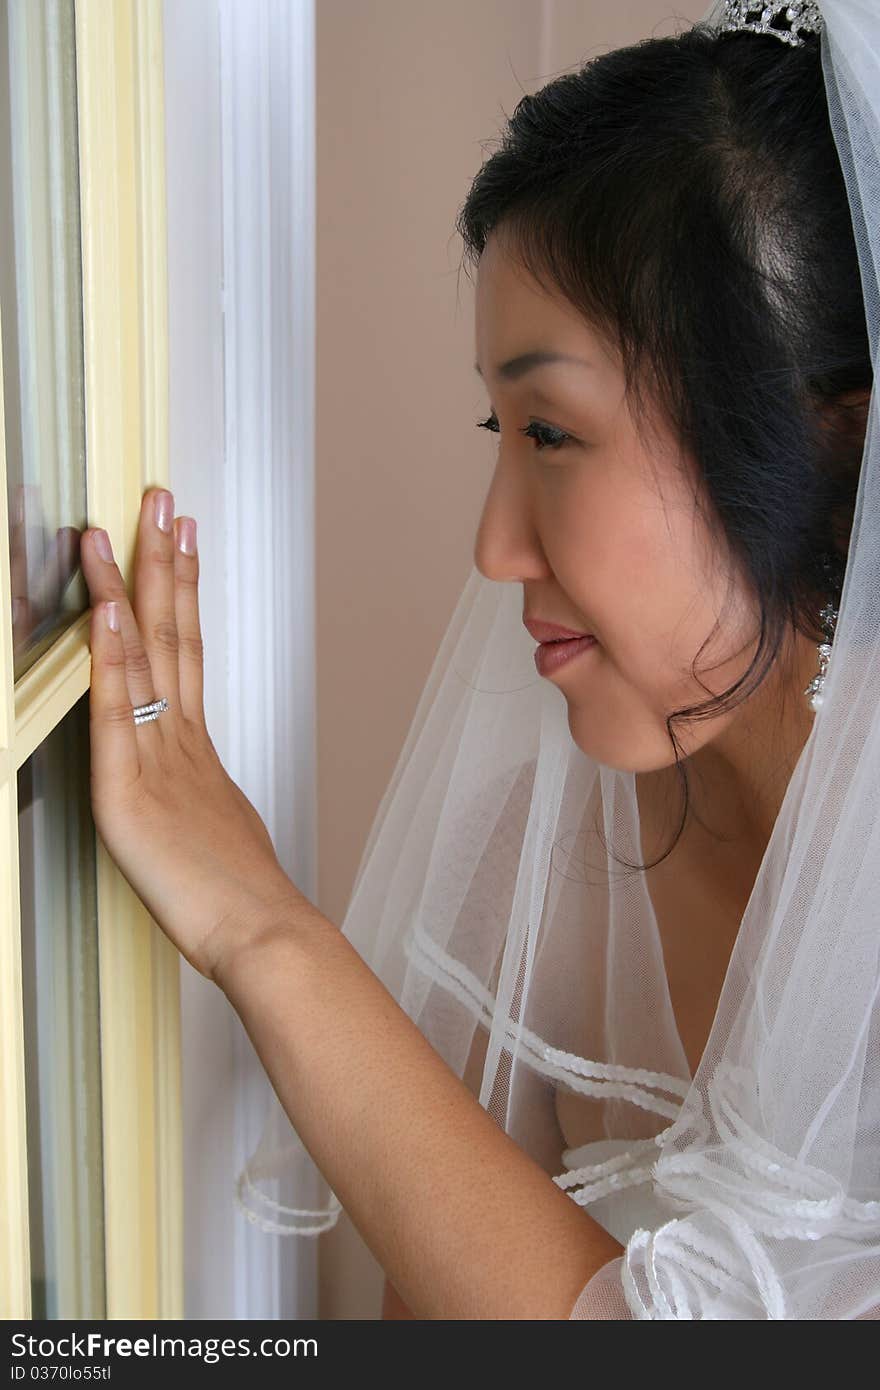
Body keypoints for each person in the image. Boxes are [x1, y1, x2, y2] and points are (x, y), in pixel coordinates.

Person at [79, 0, 880, 1319]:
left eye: (552, 433)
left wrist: (261, 920)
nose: (495, 545)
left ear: (829, 441)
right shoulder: (550, 871)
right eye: (493, 428)